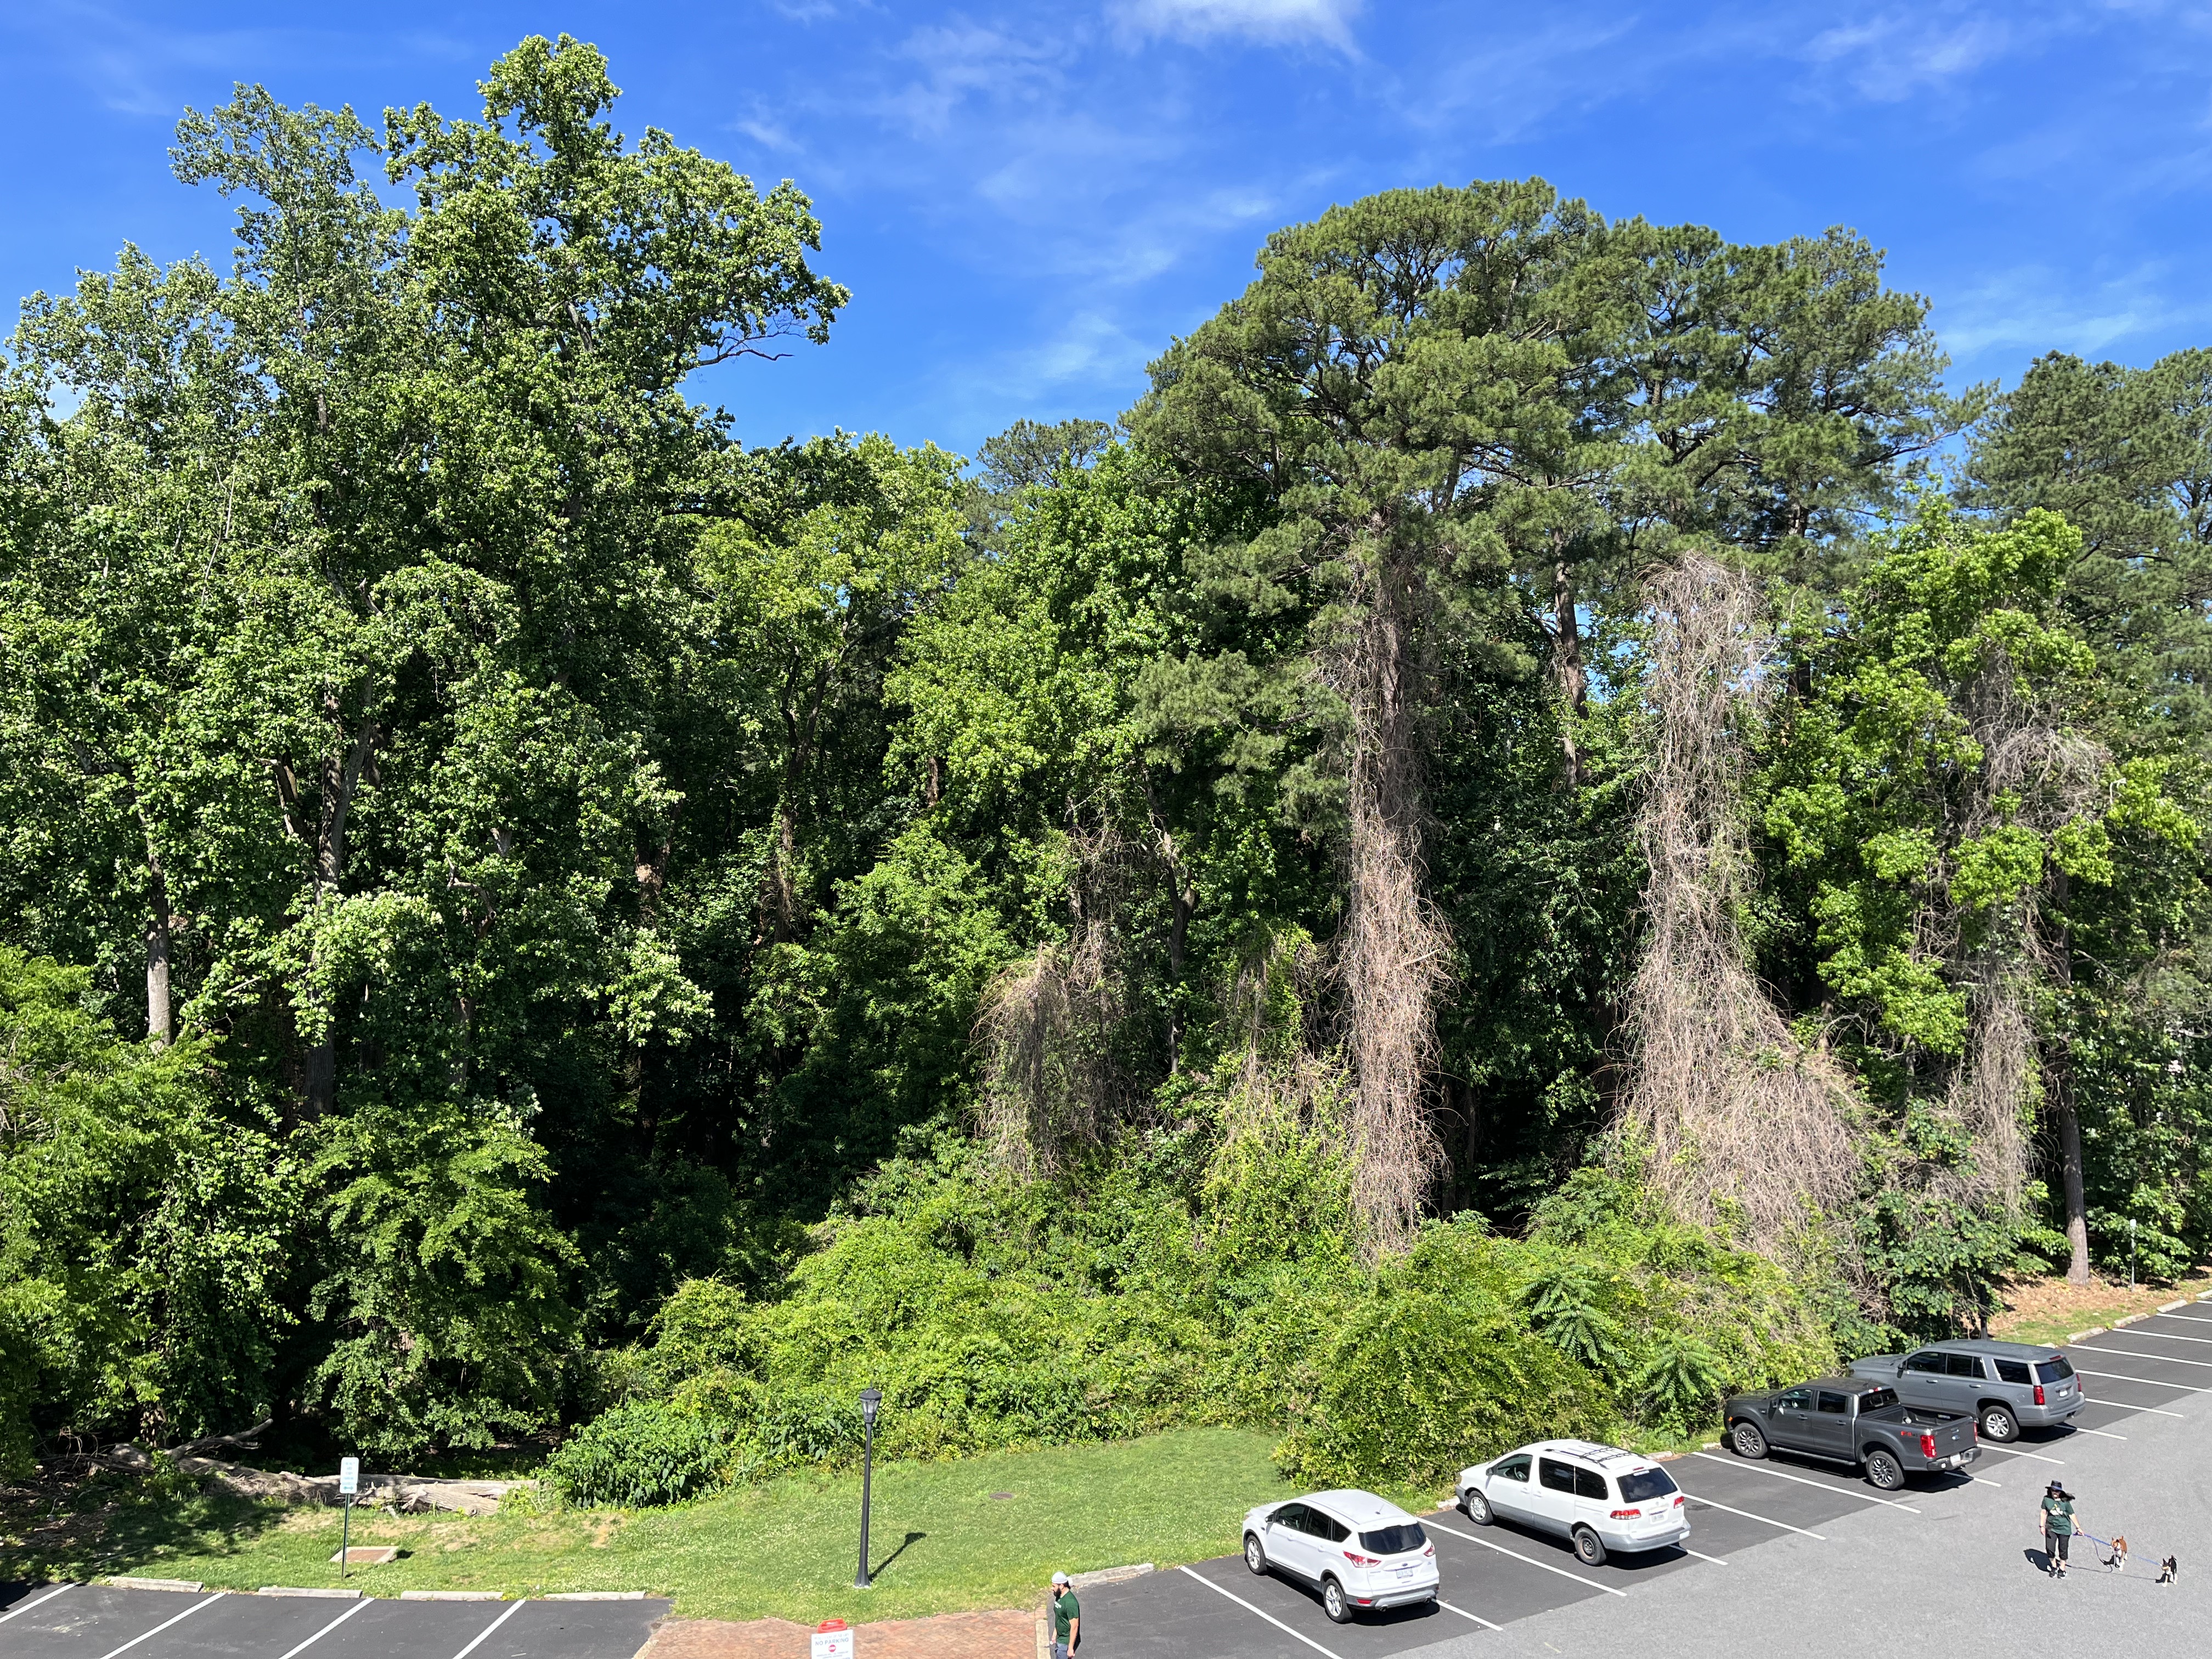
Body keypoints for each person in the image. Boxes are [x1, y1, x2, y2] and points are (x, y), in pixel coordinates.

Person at [2041, 1481, 2077, 1577]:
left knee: (2063, 1550)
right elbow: (2043, 1513)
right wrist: (2042, 1526)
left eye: (2057, 1491)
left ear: (2060, 1492)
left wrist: (2078, 1528)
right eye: (2053, 1490)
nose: (2054, 1493)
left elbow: (2072, 1514)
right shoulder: (2047, 1500)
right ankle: (2054, 1567)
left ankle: (2062, 1568)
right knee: (2050, 1548)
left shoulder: (2065, 1502)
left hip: (2064, 1529)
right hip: (2051, 1528)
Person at [1050, 1571, 1081, 1658]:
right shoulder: (1059, 1596)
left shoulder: (1071, 1603)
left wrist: (1070, 1648)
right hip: (1060, 1638)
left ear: (1062, 1586)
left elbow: (1075, 1626)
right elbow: (1060, 1616)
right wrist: (1056, 1631)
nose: (1052, 1588)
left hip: (1066, 1642)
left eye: (1054, 1586)